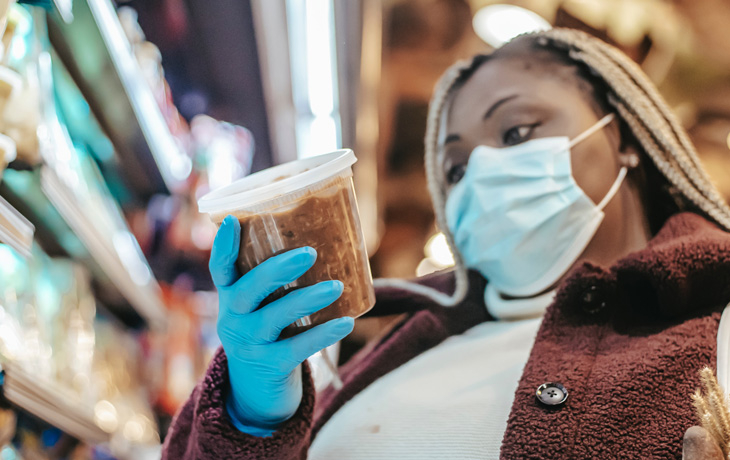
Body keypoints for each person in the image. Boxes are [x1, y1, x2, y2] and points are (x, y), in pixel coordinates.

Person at [161, 28, 730, 459]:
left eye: (516, 132)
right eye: (456, 168)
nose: (482, 168)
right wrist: (253, 416)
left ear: (622, 135)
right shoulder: (399, 344)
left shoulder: (714, 327)